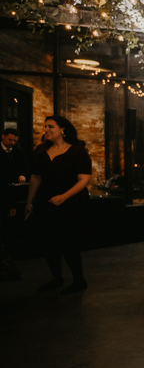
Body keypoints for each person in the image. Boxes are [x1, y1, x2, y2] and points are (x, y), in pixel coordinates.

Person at [26, 116, 92, 295]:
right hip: (46, 202)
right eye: (45, 126)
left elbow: (84, 179)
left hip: (70, 203)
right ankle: (56, 279)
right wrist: (29, 201)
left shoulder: (77, 151)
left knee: (68, 243)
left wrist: (64, 196)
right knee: (48, 243)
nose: (46, 129)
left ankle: (79, 280)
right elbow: (35, 177)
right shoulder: (41, 151)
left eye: (51, 126)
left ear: (62, 129)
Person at [0, 128, 27, 282]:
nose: (12, 143)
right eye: (10, 140)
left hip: (10, 193)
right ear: (3, 137)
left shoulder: (17, 152)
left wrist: (22, 174)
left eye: (15, 140)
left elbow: (24, 167)